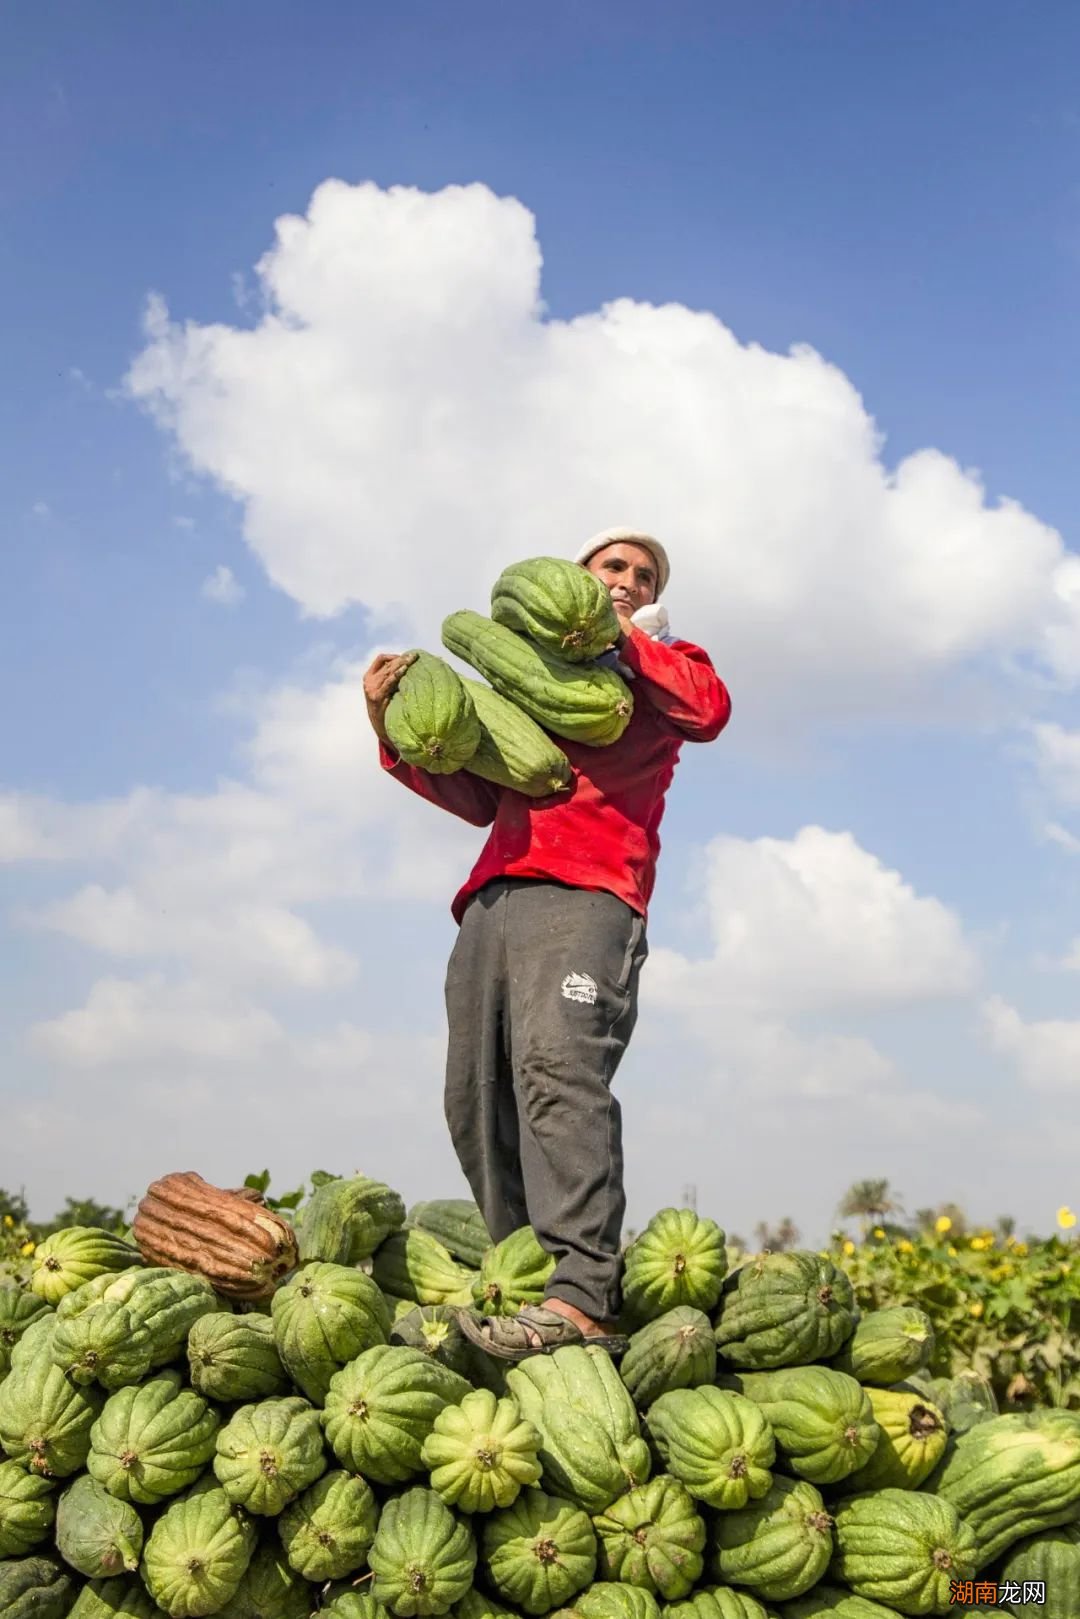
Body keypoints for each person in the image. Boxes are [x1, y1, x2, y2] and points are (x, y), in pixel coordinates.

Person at [362, 528, 731, 1359]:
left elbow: (710, 711)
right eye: (613, 567)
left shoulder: (666, 663)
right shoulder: (533, 682)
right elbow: (476, 795)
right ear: (578, 575)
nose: (629, 579)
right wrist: (390, 729)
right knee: (475, 1093)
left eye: (645, 574)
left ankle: (582, 1292)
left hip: (591, 891)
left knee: (559, 1071)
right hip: (495, 893)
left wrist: (625, 639)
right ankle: (526, 1281)